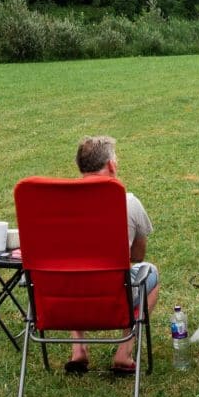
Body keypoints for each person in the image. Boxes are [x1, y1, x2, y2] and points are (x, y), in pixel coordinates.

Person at [65, 135, 160, 375]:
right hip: (111, 295)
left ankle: (78, 349)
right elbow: (138, 256)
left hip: (62, 296)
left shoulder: (54, 202)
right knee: (151, 274)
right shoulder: (127, 201)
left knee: (72, 272)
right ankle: (124, 352)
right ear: (111, 166)